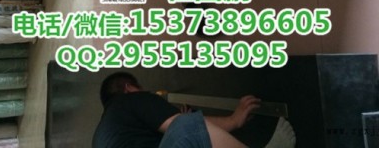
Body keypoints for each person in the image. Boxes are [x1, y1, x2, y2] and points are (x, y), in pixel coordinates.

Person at [92, 72, 296, 148]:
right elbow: (181, 126)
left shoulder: (102, 135)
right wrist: (234, 120)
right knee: (185, 126)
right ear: (129, 88)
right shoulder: (129, 101)